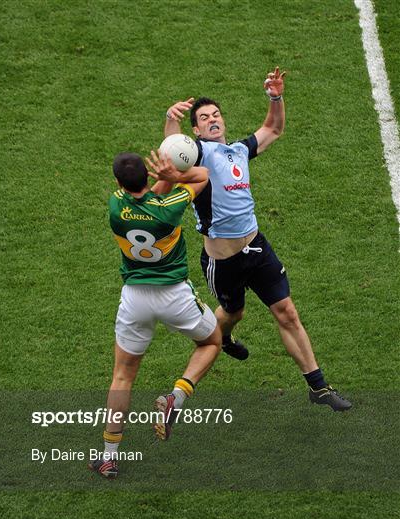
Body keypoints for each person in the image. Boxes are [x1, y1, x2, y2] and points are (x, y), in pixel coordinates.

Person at [163, 66, 351, 412]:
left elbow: (273, 128)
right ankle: (223, 336)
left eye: (216, 114)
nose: (213, 119)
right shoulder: (199, 155)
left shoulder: (237, 150)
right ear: (196, 130)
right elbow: (172, 153)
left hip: (257, 247)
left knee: (287, 312)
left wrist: (275, 96)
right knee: (233, 311)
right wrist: (171, 120)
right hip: (223, 261)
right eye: (204, 118)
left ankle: (319, 387)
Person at [89, 151, 221, 479]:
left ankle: (108, 457)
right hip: (175, 295)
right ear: (147, 178)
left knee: (122, 376)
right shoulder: (169, 208)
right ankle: (177, 395)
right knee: (212, 342)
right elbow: (202, 175)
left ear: (118, 183)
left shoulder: (115, 205)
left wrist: (160, 179)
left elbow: (144, 199)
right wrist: (172, 174)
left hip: (134, 298)